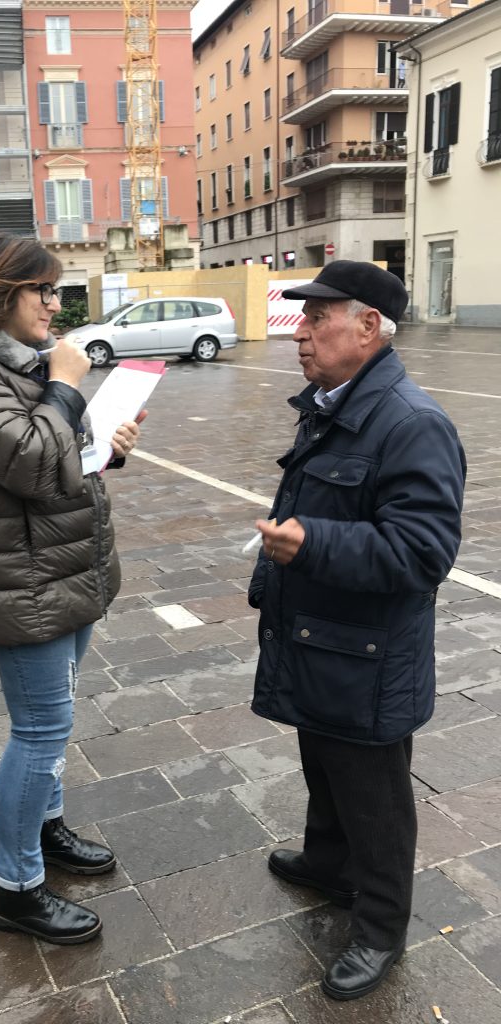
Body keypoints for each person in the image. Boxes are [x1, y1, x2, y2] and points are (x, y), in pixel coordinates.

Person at [247, 261, 465, 1001]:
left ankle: (380, 928)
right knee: (323, 759)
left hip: (368, 655)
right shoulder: (332, 403)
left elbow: (423, 553)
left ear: (368, 326)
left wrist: (312, 544)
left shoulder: (411, 423)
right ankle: (327, 863)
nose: (300, 333)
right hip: (322, 638)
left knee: (374, 797)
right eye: (303, 319)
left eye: (317, 319)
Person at [0, 232, 144, 945]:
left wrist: (106, 449)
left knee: (56, 720)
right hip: (20, 582)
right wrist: (68, 386)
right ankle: (16, 890)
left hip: (63, 568)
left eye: (57, 291)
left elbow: (61, 460)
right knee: (40, 730)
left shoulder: (21, 361)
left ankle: (45, 829)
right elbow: (27, 462)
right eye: (41, 291)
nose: (55, 305)